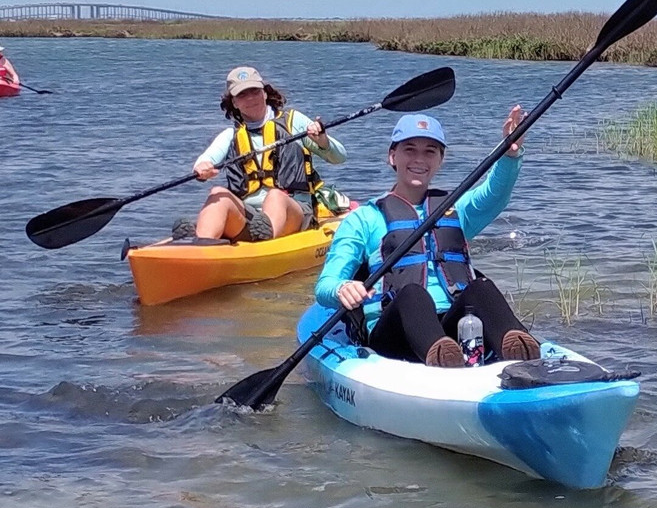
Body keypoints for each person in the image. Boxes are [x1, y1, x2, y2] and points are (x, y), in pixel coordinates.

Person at [313, 109, 541, 368]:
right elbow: (324, 286)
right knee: (413, 294)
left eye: (430, 151)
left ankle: (524, 357)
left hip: (454, 329)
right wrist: (342, 288)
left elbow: (494, 194)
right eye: (409, 149)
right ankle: (441, 359)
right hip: (394, 335)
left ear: (440, 160)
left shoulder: (456, 209)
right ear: (392, 156)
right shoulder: (364, 219)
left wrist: (510, 155)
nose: (419, 159)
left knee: (481, 288)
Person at [174, 66, 347, 242]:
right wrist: (202, 167)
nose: (250, 98)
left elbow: (339, 157)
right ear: (234, 102)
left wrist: (322, 141)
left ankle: (265, 243)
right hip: (250, 216)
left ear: (264, 93)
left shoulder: (294, 121)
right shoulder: (230, 135)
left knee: (276, 196)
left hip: (294, 211)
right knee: (218, 193)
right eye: (242, 94)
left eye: (254, 91)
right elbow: (207, 158)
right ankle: (200, 243)